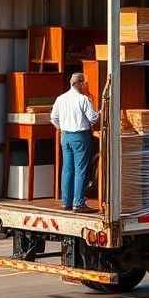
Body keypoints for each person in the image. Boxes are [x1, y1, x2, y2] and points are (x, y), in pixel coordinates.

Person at [50, 72, 99, 213]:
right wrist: (101, 113)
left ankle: (66, 202)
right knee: (81, 170)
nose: (85, 85)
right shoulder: (83, 99)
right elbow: (93, 119)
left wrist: (62, 129)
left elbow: (53, 118)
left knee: (67, 170)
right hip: (80, 137)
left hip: (66, 136)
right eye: (83, 82)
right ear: (78, 83)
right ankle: (78, 203)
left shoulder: (61, 99)